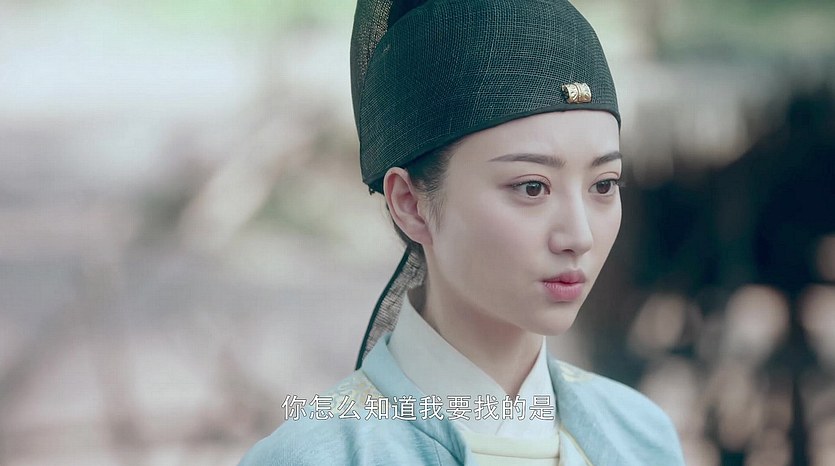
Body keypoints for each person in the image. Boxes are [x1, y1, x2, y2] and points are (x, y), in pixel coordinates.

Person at [240, 0, 686, 464]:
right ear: (410, 203)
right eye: (532, 187)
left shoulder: (641, 437)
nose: (579, 236)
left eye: (603, 185)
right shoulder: (316, 456)